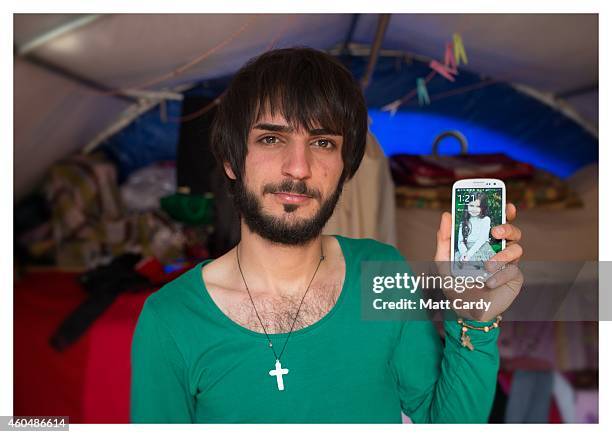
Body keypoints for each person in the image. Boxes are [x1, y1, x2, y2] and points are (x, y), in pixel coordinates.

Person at [130, 47, 524, 424]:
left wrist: (475, 321)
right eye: (271, 138)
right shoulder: (171, 319)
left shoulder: (381, 272)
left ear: (344, 166)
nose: (298, 168)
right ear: (232, 160)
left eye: (322, 143)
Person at [456, 192, 496, 263]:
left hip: (482, 247)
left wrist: (469, 254)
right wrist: (464, 253)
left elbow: (482, 239)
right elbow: (460, 241)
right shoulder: (464, 222)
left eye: (478, 206)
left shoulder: (486, 219)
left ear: (483, 207)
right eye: (471, 205)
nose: (474, 209)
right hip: (466, 249)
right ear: (467, 206)